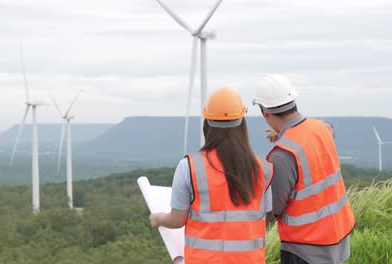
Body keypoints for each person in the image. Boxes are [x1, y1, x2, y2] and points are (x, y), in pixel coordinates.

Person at [149, 87, 274, 264]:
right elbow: (269, 218)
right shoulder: (263, 169)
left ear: (207, 123)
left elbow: (177, 220)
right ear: (242, 122)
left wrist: (158, 218)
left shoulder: (189, 166)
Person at [252, 74, 355, 264]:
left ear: (265, 113)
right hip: (338, 237)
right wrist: (283, 131)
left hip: (305, 248)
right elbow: (324, 129)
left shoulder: (282, 155)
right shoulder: (323, 129)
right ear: (293, 101)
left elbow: (275, 207)